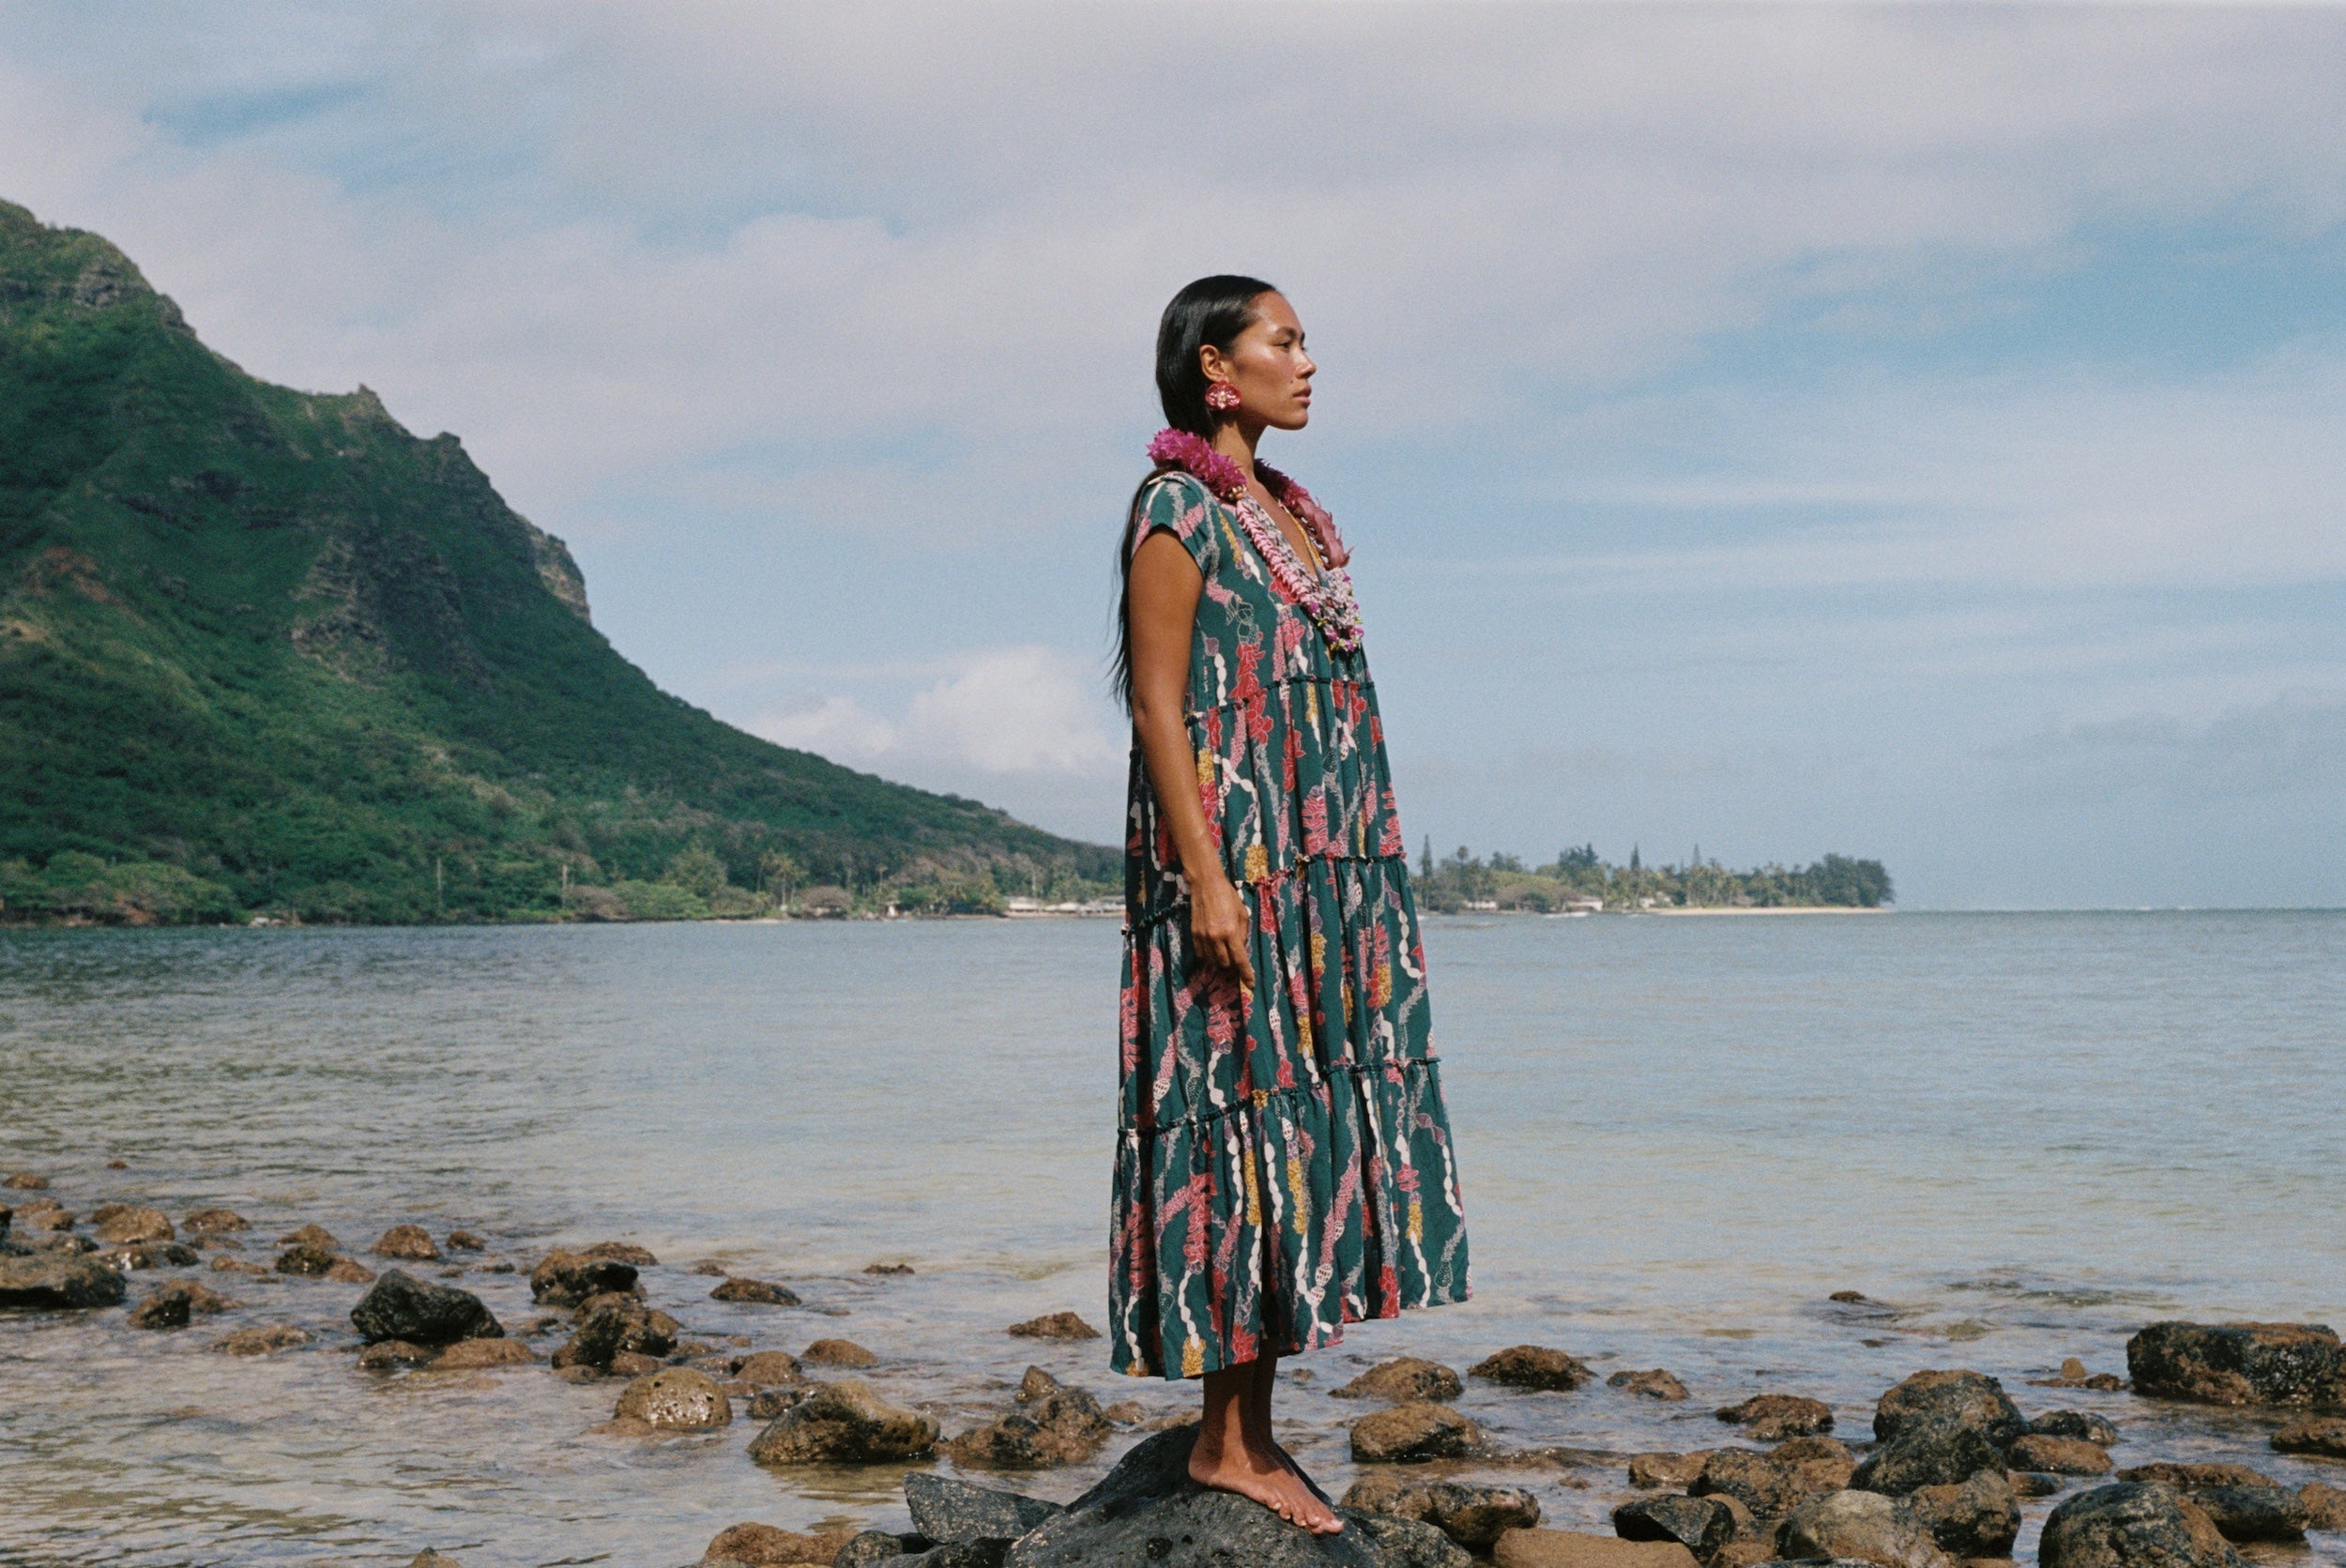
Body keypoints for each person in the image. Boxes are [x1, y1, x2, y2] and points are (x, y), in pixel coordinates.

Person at [1109, 276, 1471, 1533]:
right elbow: (1157, 703)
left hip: (1325, 877)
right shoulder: (1176, 508)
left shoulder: (1291, 514)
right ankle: (1224, 1445)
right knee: (1234, 1125)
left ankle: (1253, 1432)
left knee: (1292, 1132)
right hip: (1238, 869)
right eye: (1285, 340)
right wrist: (1207, 879)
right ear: (1219, 367)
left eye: (1306, 342)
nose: (1309, 362)